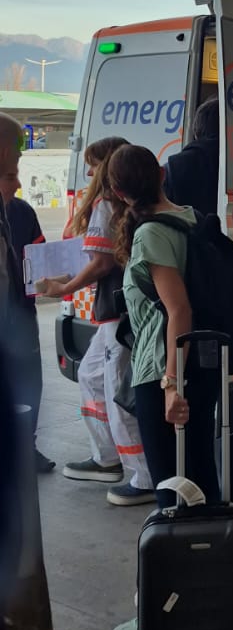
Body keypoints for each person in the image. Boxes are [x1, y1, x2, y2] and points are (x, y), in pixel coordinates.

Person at [108, 142, 223, 630]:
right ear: (159, 174)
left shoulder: (153, 234)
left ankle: (165, 612)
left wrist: (171, 386)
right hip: (199, 367)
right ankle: (219, 599)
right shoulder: (192, 217)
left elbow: (178, 311)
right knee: (201, 487)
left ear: (116, 192)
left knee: (171, 497)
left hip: (165, 373)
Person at [40, 137, 154, 505]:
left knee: (117, 391)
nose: (88, 172)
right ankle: (108, 457)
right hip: (121, 310)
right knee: (91, 376)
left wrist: (65, 287)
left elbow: (101, 263)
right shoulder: (130, 205)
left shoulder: (107, 205)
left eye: (93, 164)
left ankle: (142, 475)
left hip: (116, 312)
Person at [163, 97, 233, 504]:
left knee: (198, 399)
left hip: (190, 291)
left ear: (197, 128)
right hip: (231, 293)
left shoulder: (176, 167)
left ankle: (199, 491)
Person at [2, 172, 54, 472]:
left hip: (21, 315)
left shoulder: (22, 212)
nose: (19, 184)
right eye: (10, 175)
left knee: (29, 383)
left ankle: (26, 447)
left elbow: (39, 256)